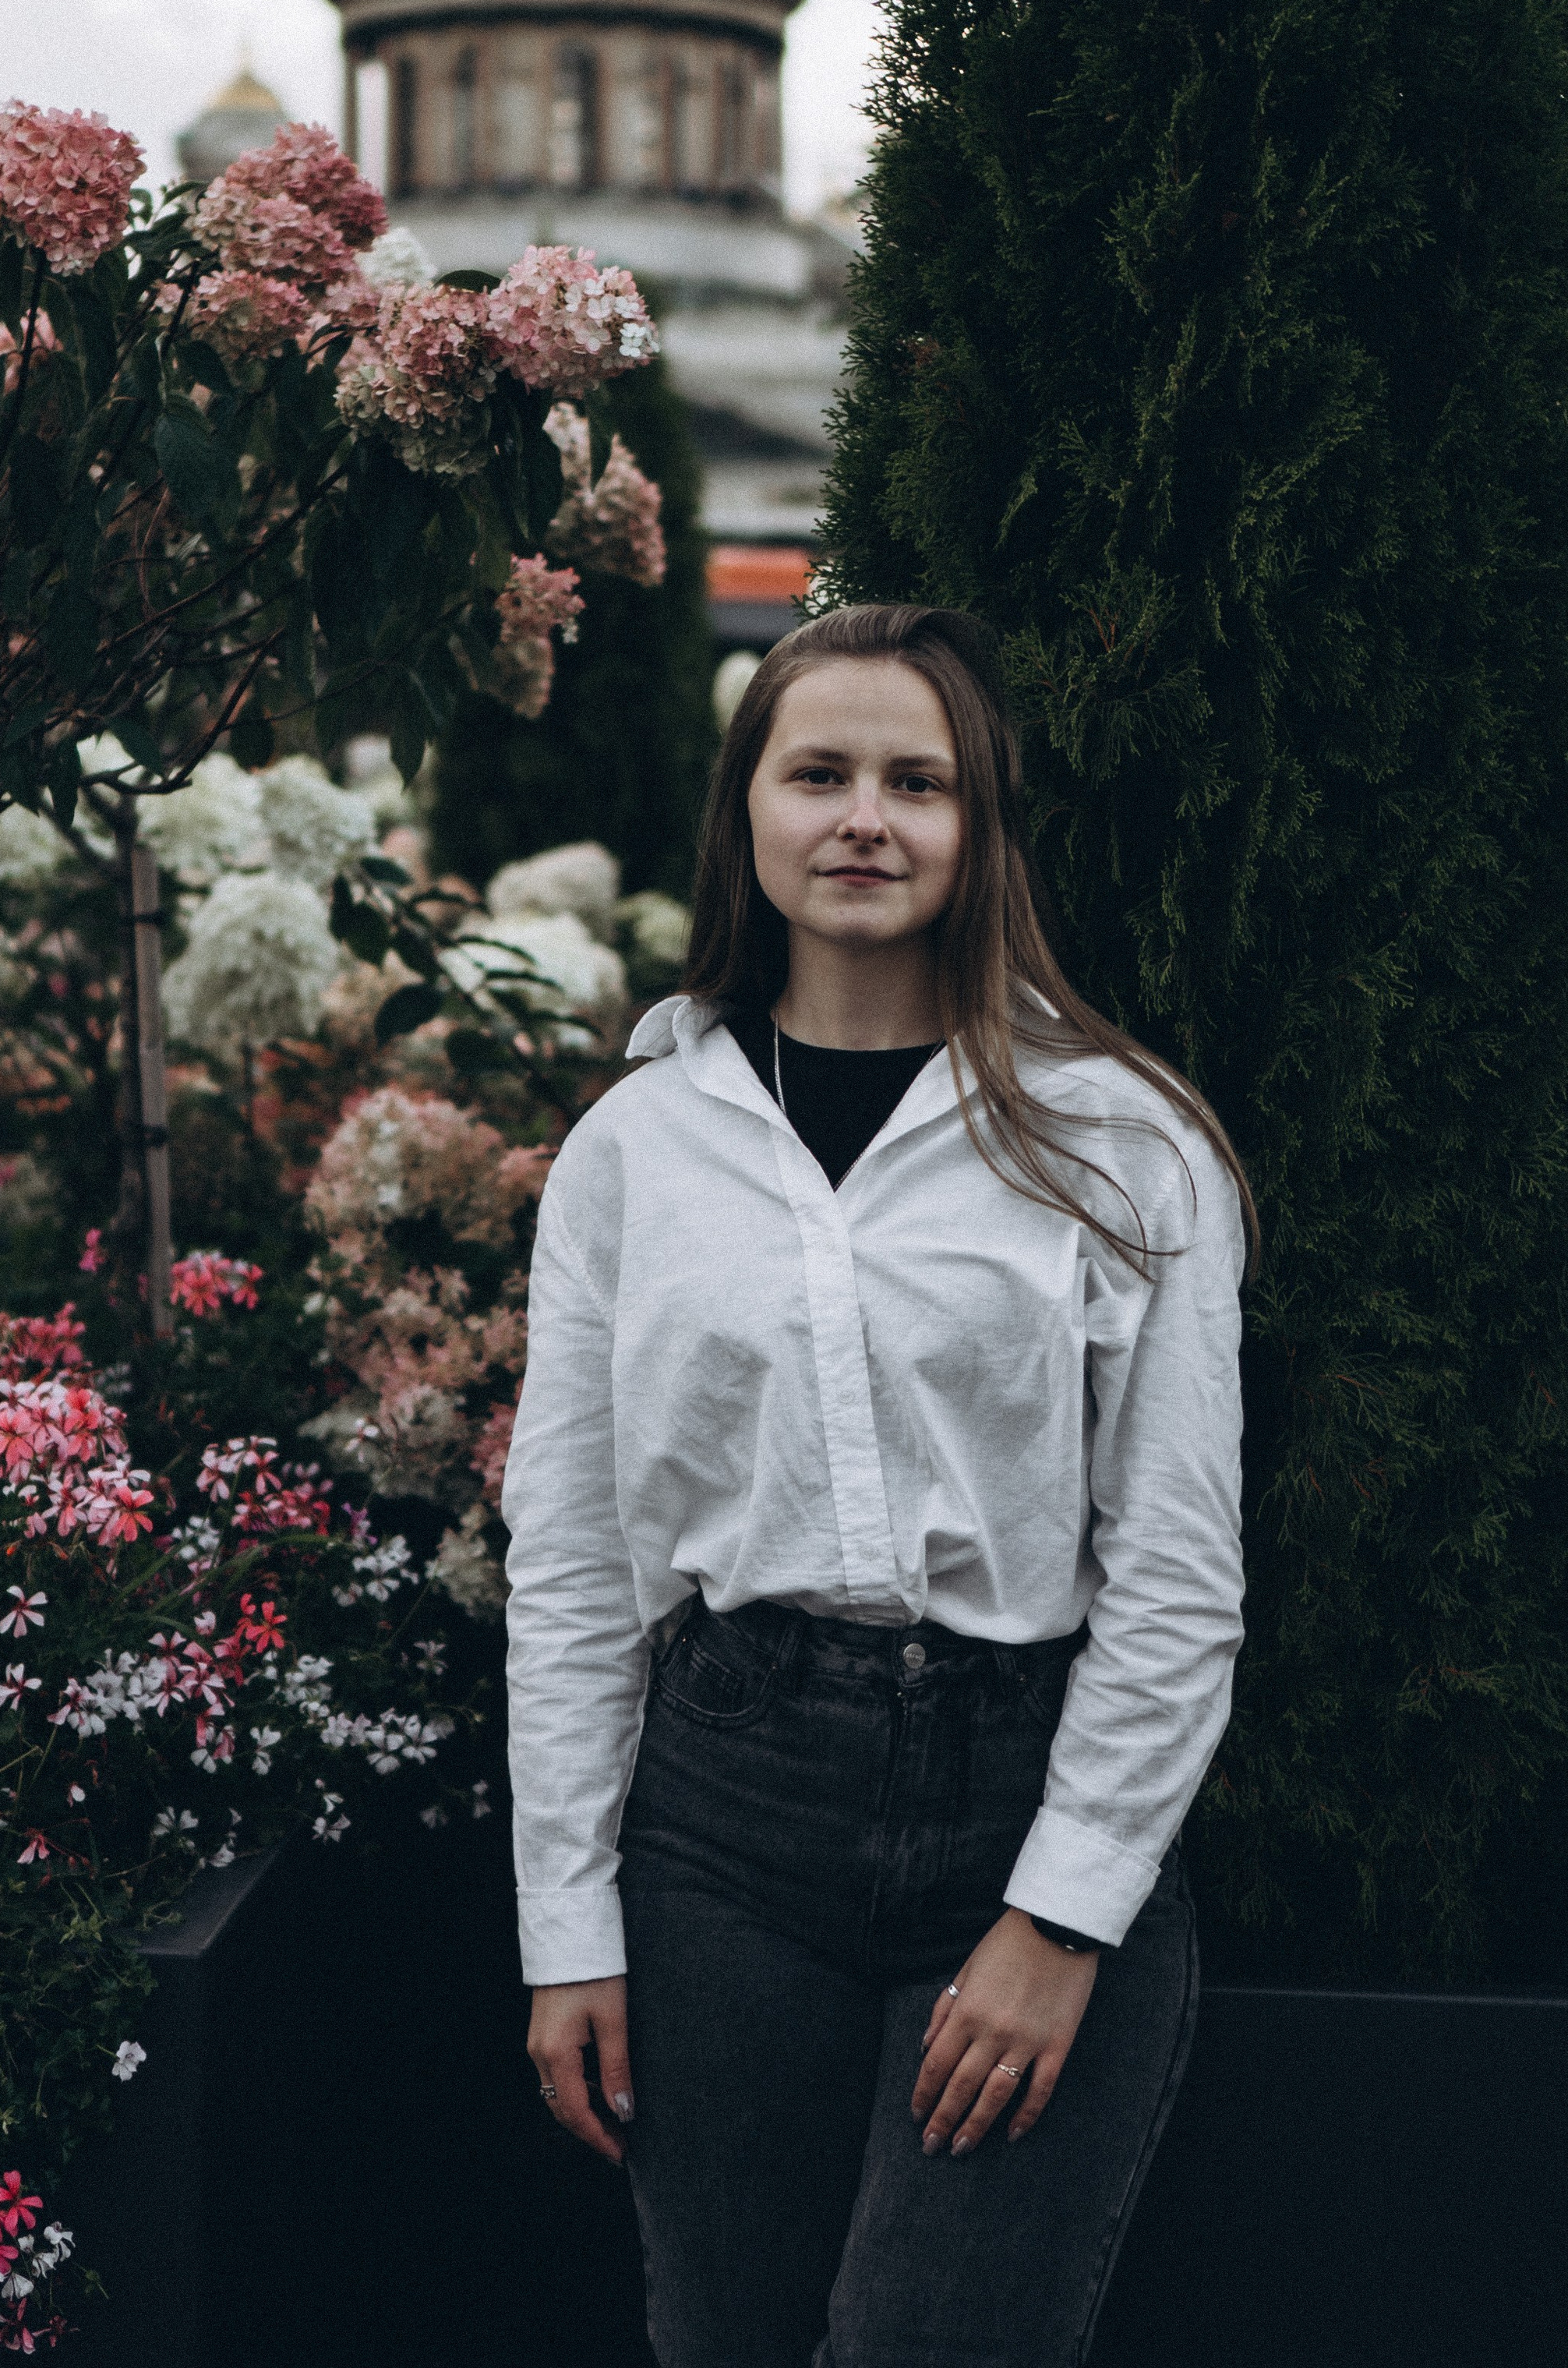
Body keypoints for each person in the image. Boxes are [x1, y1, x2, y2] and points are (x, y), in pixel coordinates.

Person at [503, 602, 1253, 2368]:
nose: (863, 817)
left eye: (917, 781)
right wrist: (565, 1924)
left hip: (1020, 1798)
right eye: (817, 771)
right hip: (721, 1829)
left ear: (980, 829)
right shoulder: (635, 1150)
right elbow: (576, 1567)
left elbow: (1174, 1571)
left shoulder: (1121, 1144)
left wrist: (1061, 1917)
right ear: (745, 813)